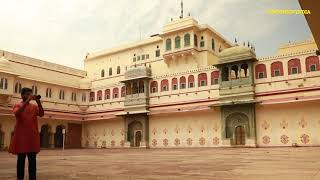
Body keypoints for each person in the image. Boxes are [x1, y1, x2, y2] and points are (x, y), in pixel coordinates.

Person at [9, 87, 44, 180]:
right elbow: (17, 113)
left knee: (32, 162)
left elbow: (41, 114)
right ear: (22, 95)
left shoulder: (34, 107)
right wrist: (27, 101)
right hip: (21, 138)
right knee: (20, 161)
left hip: (32, 138)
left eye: (30, 94)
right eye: (27, 94)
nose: (29, 96)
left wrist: (38, 102)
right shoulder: (17, 105)